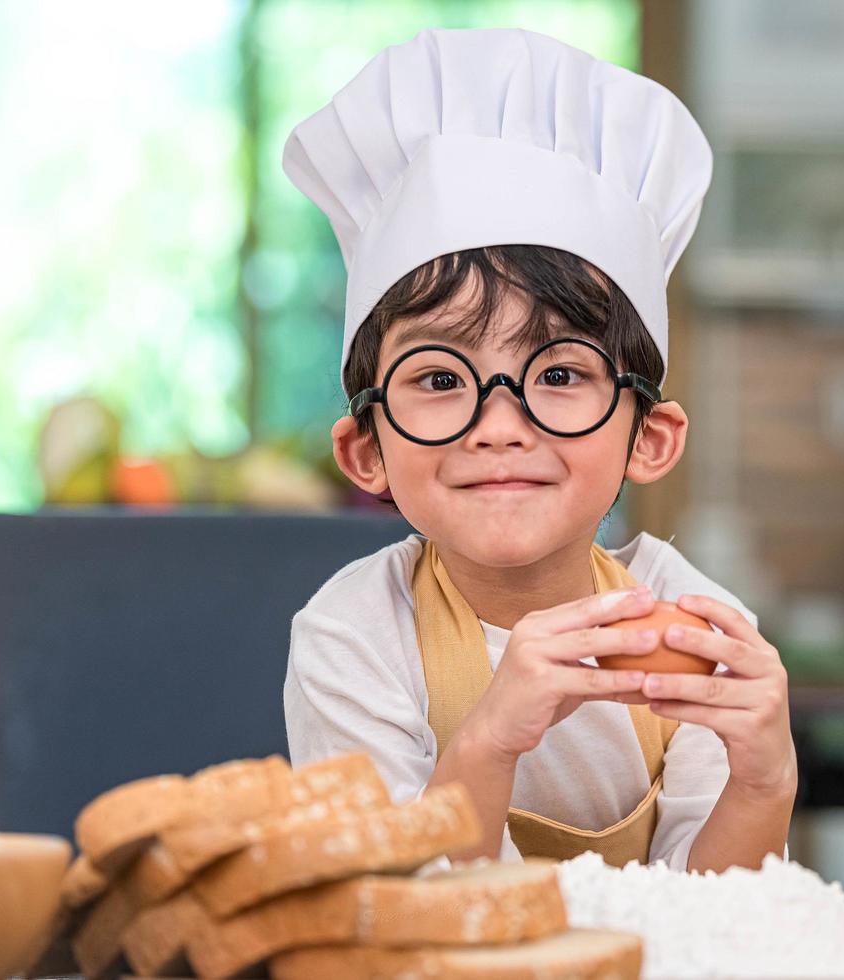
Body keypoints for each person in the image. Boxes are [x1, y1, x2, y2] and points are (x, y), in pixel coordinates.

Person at [281, 26, 795, 873]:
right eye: (441, 380)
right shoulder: (354, 635)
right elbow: (391, 911)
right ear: (365, 449)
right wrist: (488, 741)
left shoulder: (698, 624)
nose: (499, 424)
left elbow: (715, 927)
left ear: (649, 436)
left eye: (558, 373)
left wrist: (763, 784)